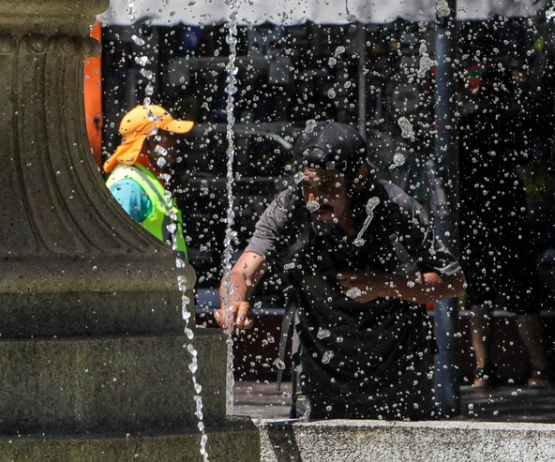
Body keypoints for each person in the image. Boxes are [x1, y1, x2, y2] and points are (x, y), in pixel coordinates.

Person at [216, 121, 465, 420]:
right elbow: (242, 271)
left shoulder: (394, 207)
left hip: (398, 371)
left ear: (359, 179)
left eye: (327, 185)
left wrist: (384, 284)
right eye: (307, 185)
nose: (313, 199)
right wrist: (234, 301)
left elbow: (453, 281)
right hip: (320, 372)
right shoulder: (289, 207)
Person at [458, 63, 551, 388]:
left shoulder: (465, 126)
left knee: (478, 298)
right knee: (523, 298)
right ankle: (539, 369)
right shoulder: (513, 125)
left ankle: (482, 370)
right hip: (508, 220)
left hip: (474, 221)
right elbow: (527, 173)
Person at [103, 105, 194, 255]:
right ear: (149, 141)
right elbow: (115, 250)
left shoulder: (146, 177)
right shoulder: (129, 186)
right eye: (169, 134)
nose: (176, 140)